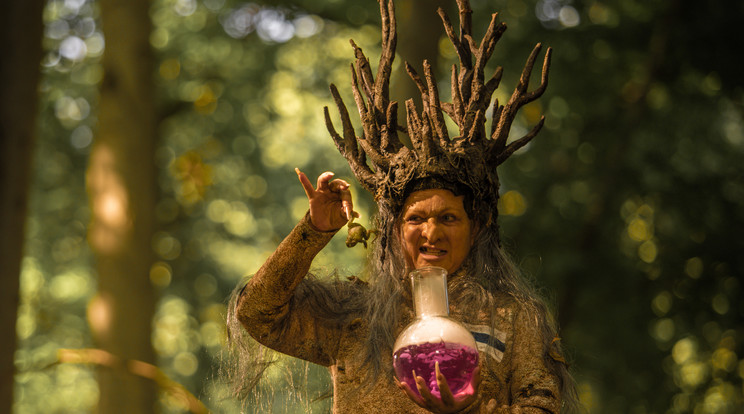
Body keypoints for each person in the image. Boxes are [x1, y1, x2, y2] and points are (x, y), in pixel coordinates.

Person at [229, 0, 578, 412]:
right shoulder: (352, 315)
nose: (431, 233)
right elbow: (258, 314)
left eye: (448, 217)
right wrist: (313, 231)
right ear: (395, 229)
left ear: (478, 225)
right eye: (416, 219)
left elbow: (542, 408)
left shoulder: (515, 317)